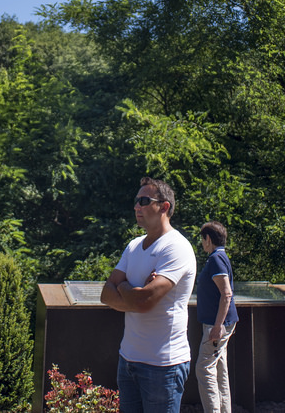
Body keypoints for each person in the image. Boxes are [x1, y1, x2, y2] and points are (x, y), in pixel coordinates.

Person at [101, 177, 197, 413]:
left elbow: (144, 302)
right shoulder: (134, 246)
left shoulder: (176, 247)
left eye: (144, 201)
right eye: (136, 201)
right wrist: (134, 293)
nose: (137, 206)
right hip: (128, 359)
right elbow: (106, 293)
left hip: (163, 365)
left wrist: (124, 287)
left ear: (164, 207)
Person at [195, 221, 239, 413]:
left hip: (217, 325)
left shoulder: (216, 259)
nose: (202, 243)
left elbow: (226, 293)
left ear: (208, 239)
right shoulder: (220, 257)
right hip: (220, 323)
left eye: (202, 239)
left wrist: (218, 325)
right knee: (220, 369)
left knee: (203, 369)